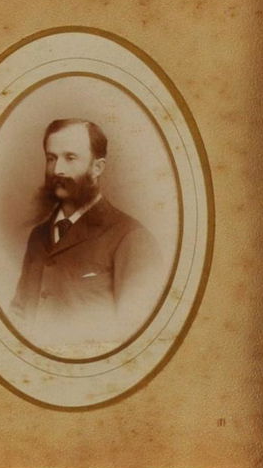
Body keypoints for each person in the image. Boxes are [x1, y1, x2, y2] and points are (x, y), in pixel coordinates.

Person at [10, 116, 162, 351]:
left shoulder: (132, 238)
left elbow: (136, 336)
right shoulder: (38, 236)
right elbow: (19, 315)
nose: (58, 170)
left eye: (70, 158)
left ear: (97, 167)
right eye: (51, 158)